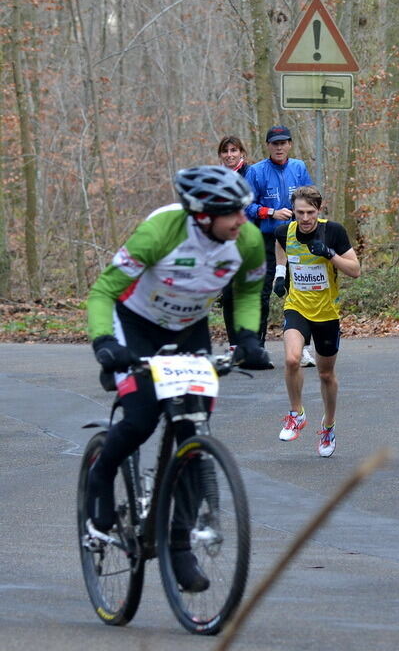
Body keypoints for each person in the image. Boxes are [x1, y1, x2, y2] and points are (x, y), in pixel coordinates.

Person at [85, 166, 273, 592]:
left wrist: (246, 337)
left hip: (189, 328)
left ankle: (178, 543)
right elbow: (103, 292)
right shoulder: (161, 232)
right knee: (139, 419)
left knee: (192, 428)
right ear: (202, 215)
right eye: (232, 214)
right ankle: (100, 476)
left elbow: (246, 290)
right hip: (135, 324)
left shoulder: (244, 240)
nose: (243, 221)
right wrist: (103, 344)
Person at [271, 186, 360, 456]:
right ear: (293, 212)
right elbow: (280, 248)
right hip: (297, 306)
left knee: (325, 374)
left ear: (318, 210)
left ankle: (329, 426)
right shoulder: (284, 231)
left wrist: (330, 255)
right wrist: (279, 274)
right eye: (300, 212)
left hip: (327, 313)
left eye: (310, 212)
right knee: (291, 359)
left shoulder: (333, 231)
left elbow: (355, 270)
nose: (305, 218)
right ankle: (296, 413)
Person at [244, 125, 313, 354]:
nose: (279, 147)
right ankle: (258, 347)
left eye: (283, 143)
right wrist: (271, 212)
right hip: (266, 239)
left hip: (296, 238)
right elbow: (247, 207)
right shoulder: (256, 171)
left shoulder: (299, 167)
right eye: (275, 143)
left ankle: (302, 348)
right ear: (268, 146)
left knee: (300, 290)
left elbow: (311, 198)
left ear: (290, 144)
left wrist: (299, 213)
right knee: (263, 292)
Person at [217, 135, 252, 348]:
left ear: (242, 153)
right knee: (229, 295)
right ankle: (234, 346)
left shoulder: (252, 173)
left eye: (234, 150)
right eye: (225, 151)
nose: (230, 155)